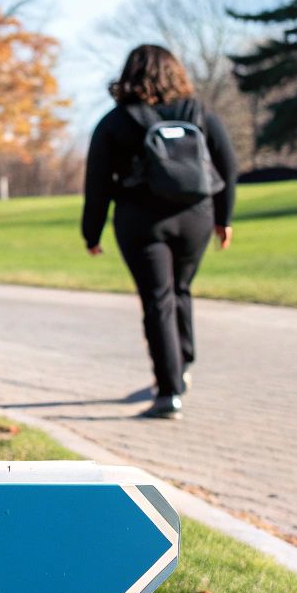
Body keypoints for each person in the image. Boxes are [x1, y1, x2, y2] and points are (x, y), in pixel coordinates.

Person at [82, 44, 238, 420]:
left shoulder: (116, 122)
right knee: (180, 290)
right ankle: (182, 366)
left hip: (142, 220)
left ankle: (168, 393)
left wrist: (92, 232)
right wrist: (224, 218)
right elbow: (228, 166)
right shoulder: (199, 112)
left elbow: (98, 183)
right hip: (196, 216)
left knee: (158, 299)